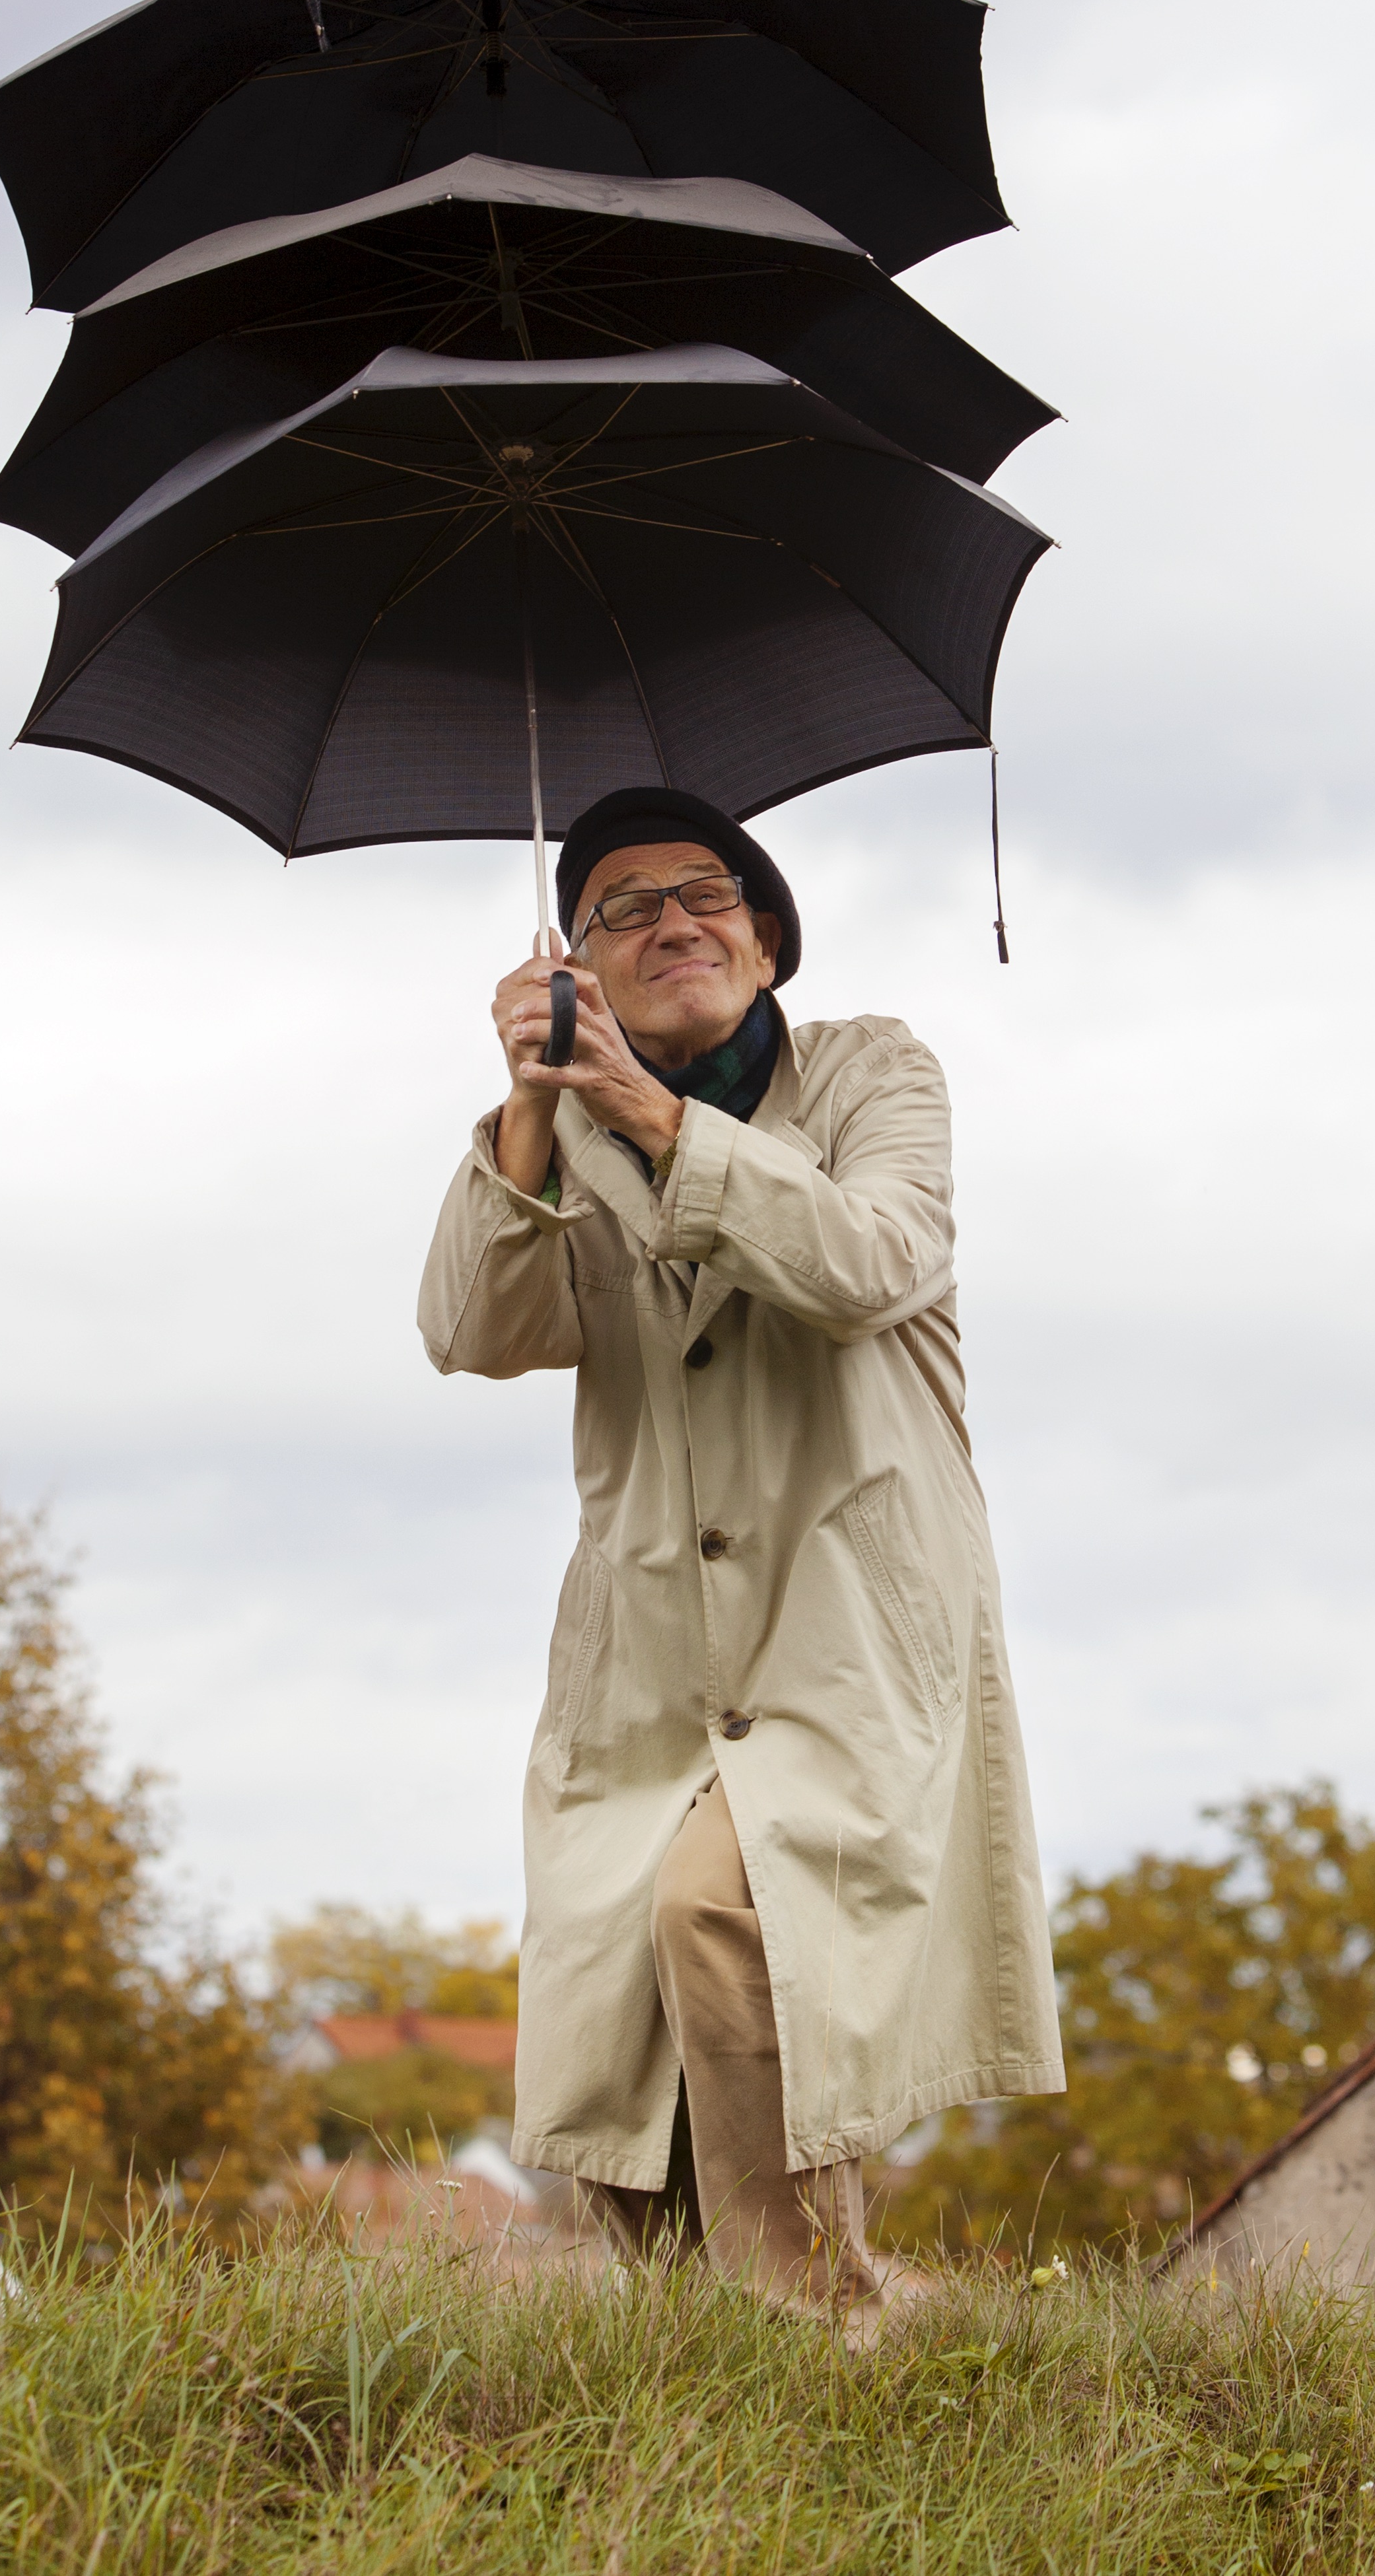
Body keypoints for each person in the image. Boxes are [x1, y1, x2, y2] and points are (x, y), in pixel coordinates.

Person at [418, 788, 1063, 2320]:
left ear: (767, 937)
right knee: (627, 2001)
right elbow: (474, 1328)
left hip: (845, 1609)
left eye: (705, 893)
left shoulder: (874, 1071)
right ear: (579, 966)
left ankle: (810, 2322)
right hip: (654, 1637)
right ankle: (715, 2327)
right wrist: (526, 1106)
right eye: (621, 910)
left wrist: (648, 1116)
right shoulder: (556, 1125)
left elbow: (868, 1260)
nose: (670, 924)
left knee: (734, 1911)